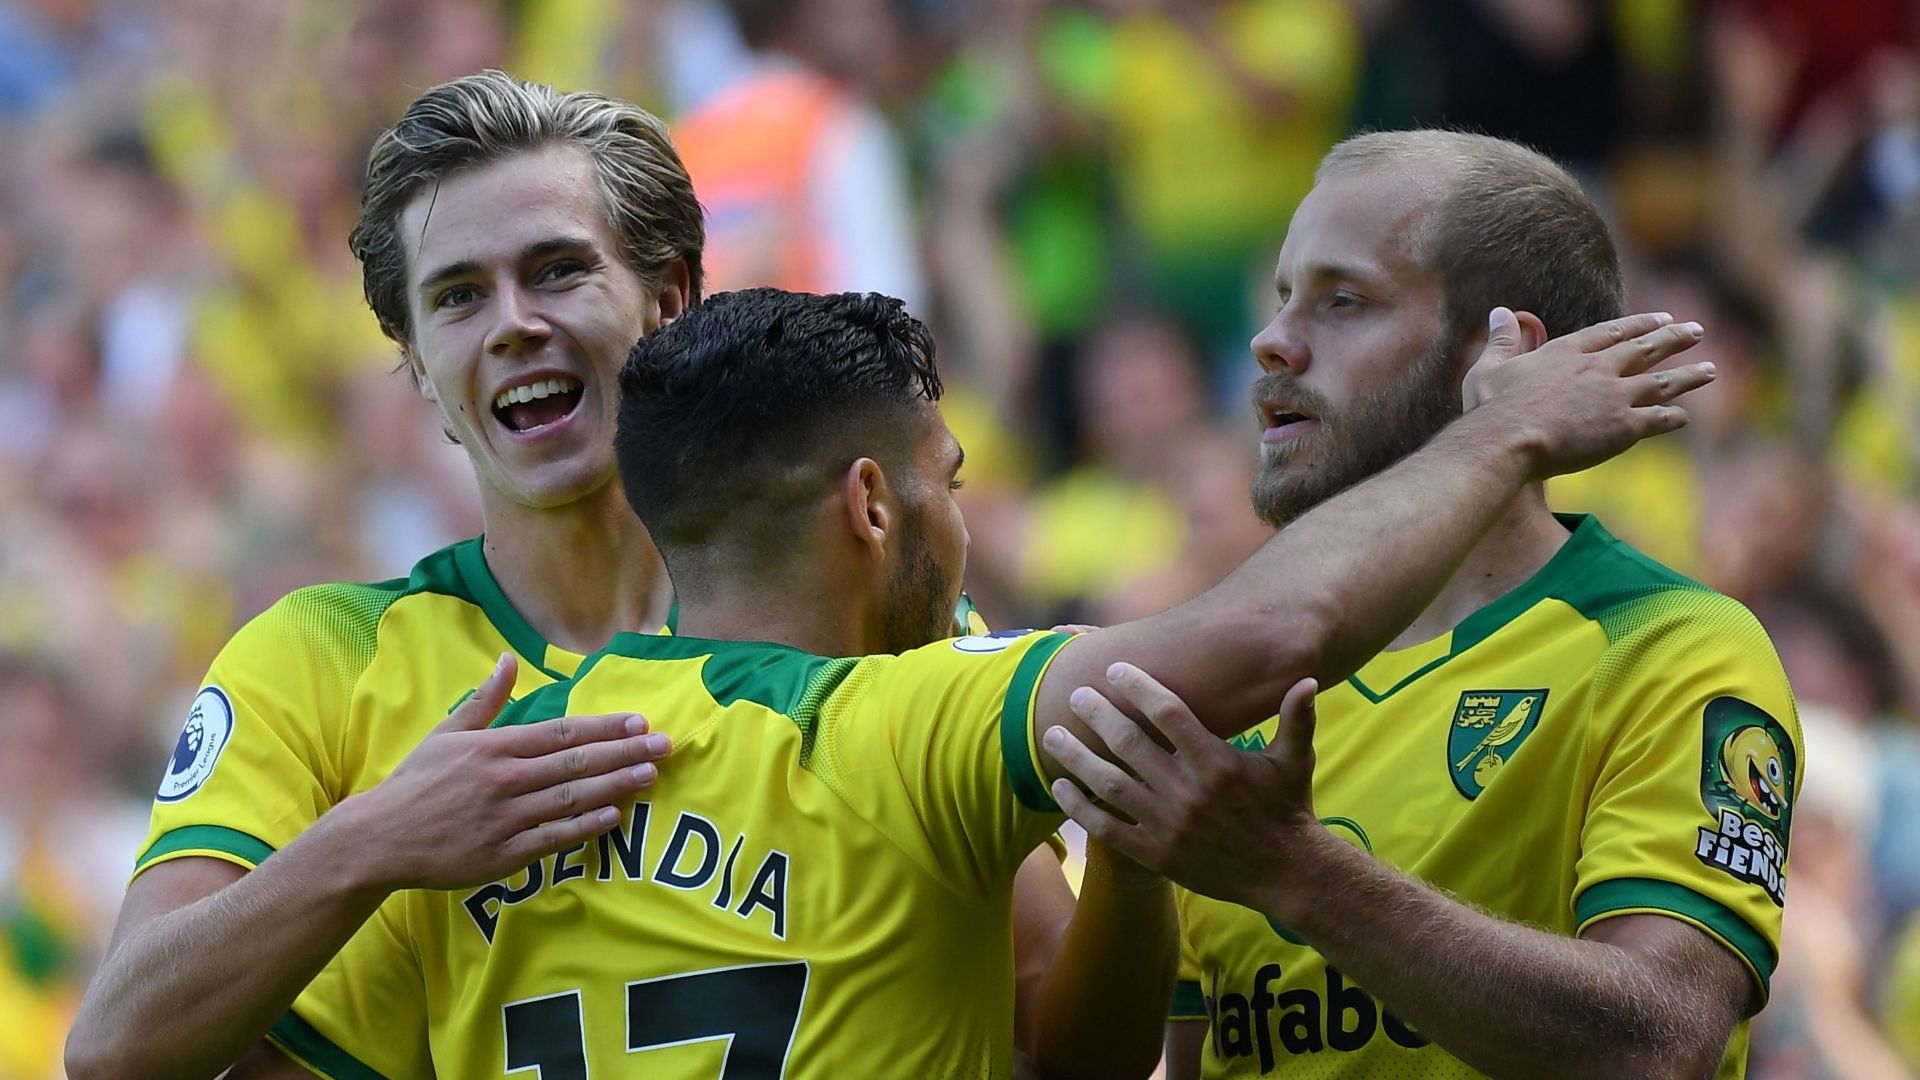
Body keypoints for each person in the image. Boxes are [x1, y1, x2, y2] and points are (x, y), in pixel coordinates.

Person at [268, 285, 1713, 1076]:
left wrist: (1140, 858)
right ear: (872, 507)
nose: (968, 521)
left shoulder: (470, 788)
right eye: (951, 481)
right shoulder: (923, 722)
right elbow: (1279, 632)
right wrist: (1505, 437)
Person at [67, 70, 1180, 1080]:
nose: (513, 325)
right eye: (457, 296)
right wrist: (378, 839)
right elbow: (118, 1047)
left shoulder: (857, 586)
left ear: (672, 297)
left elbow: (1065, 1040)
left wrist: (1137, 860)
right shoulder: (314, 660)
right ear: (416, 363)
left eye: (557, 271)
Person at [1038, 130, 1803, 1079]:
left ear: (1505, 354)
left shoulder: (1671, 648)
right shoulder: (1234, 682)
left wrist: (1294, 871)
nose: (1272, 340)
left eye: (1344, 301)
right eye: (1282, 298)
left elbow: (1658, 1045)